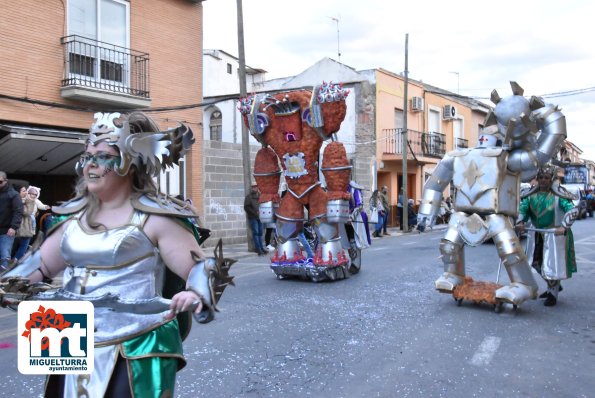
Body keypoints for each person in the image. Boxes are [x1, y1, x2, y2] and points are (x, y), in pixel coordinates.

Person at [2, 112, 233, 397]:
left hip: (136, 339)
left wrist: (196, 294)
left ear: (131, 162)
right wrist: (10, 284)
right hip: (68, 333)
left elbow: (205, 268)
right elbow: (38, 266)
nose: (91, 165)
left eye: (103, 156)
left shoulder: (155, 217)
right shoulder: (72, 218)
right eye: (88, 156)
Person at [417, 82, 566, 308]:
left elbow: (541, 154)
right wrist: (426, 211)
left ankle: (524, 284)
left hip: (496, 215)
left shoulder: (506, 159)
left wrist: (548, 115)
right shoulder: (458, 156)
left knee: (509, 249)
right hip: (463, 212)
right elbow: (435, 183)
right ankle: (453, 275)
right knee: (448, 245)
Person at [516, 166, 578, 306]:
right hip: (537, 234)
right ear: (537, 179)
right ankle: (553, 286)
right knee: (536, 263)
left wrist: (563, 226)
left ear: (552, 180)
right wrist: (520, 221)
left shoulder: (558, 196)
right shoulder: (530, 195)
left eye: (546, 178)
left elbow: (572, 210)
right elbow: (523, 209)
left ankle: (552, 293)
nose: (543, 180)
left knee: (551, 265)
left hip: (554, 235)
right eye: (541, 178)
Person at [0, 171, 23, 270]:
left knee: (4, 256)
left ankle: (3, 280)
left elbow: (18, 211)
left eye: (0, 182)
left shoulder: (13, 194)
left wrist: (13, 227)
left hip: (6, 230)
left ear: (6, 181)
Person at [13, 185, 36, 261]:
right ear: (18, 192)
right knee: (23, 245)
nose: (26, 192)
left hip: (21, 227)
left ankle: (15, 260)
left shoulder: (20, 200)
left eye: (26, 190)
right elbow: (27, 212)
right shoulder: (19, 201)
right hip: (21, 227)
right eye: (23, 191)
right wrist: (30, 201)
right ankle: (16, 261)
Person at [244, 184, 266, 255]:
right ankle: (258, 248)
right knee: (256, 233)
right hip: (253, 217)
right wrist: (254, 213)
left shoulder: (260, 196)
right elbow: (246, 207)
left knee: (260, 233)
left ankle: (261, 248)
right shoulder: (249, 197)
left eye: (256, 187)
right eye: (253, 187)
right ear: (252, 188)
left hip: (260, 217)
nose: (255, 188)